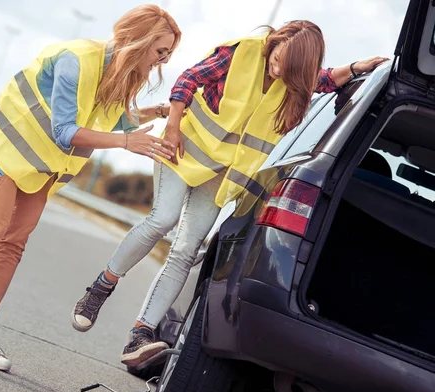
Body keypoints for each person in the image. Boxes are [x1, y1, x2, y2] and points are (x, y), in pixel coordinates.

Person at [71, 20, 389, 367]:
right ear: (277, 40)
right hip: (182, 149)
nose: (277, 67)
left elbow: (326, 79)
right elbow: (188, 80)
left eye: (287, 66)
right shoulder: (242, 51)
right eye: (278, 57)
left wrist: (358, 67)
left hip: (219, 174)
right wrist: (173, 126)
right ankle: (101, 287)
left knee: (186, 249)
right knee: (163, 218)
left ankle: (141, 333)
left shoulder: (295, 76)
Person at [0, 4, 182, 371]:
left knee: (13, 242)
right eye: (160, 51)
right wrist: (127, 144)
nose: (161, 62)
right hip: (9, 143)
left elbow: (121, 117)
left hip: (41, 162)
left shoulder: (119, 72)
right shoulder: (77, 59)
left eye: (168, 56)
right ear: (139, 38)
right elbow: (66, 130)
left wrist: (161, 110)